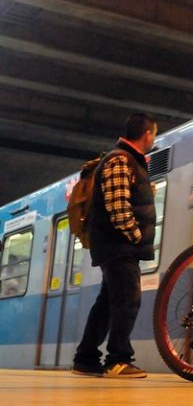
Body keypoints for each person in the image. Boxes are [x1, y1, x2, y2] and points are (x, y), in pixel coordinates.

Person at [72, 113, 158, 378]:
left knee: (107, 303)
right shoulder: (120, 159)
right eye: (154, 133)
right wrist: (135, 236)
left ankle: (86, 358)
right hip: (118, 245)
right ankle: (117, 360)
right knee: (127, 300)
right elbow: (118, 208)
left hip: (115, 245)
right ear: (147, 134)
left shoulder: (128, 161)